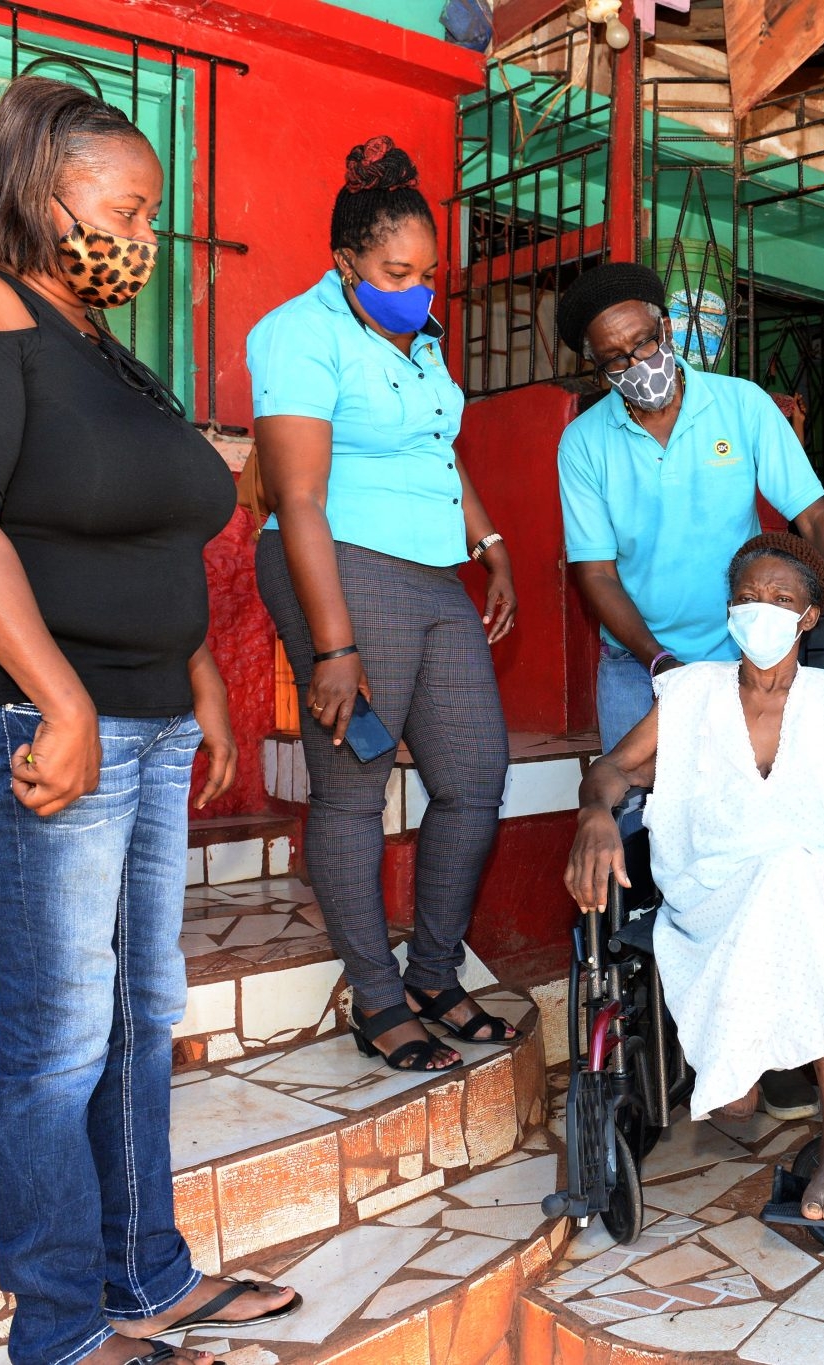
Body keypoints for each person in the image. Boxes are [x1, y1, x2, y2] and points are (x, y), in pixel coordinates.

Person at [0, 77, 297, 1365]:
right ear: (42, 195)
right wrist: (60, 699)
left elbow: (155, 527)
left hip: (147, 715)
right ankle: (60, 1330)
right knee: (60, 1039)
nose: (145, 235)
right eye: (126, 208)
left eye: (155, 214)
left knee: (137, 1012)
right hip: (39, 717)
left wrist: (199, 681)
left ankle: (145, 1277)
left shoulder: (102, 347)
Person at [554, 260, 824, 1120]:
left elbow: (815, 518)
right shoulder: (587, 443)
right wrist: (660, 664)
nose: (639, 361)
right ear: (596, 368)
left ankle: (778, 1035)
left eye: (648, 340)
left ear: (669, 327)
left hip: (758, 660)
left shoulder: (741, 405)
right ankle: (698, 1041)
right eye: (616, 357)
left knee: (774, 838)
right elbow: (595, 574)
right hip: (649, 670)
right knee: (656, 857)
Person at [563, 533, 824, 1220]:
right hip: (714, 886)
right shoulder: (689, 695)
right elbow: (612, 769)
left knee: (789, 876)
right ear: (729, 610)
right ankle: (753, 1071)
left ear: (809, 616)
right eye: (747, 598)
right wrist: (596, 812)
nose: (761, 610)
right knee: (775, 878)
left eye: (781, 599)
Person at [250, 137, 517, 1072]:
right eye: (396, 271)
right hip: (339, 563)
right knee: (355, 791)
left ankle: (435, 972)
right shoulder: (301, 332)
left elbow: (439, 451)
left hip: (432, 571)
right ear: (346, 263)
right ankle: (376, 995)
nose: (417, 287)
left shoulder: (425, 343)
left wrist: (489, 545)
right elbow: (298, 498)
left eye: (429, 271)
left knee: (475, 776)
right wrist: (334, 647)